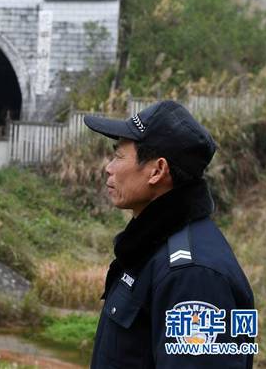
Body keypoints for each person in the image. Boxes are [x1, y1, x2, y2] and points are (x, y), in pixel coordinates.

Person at [83, 100, 255, 369]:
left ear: (157, 171)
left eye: (118, 156)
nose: (109, 167)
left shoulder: (193, 277)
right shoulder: (149, 247)